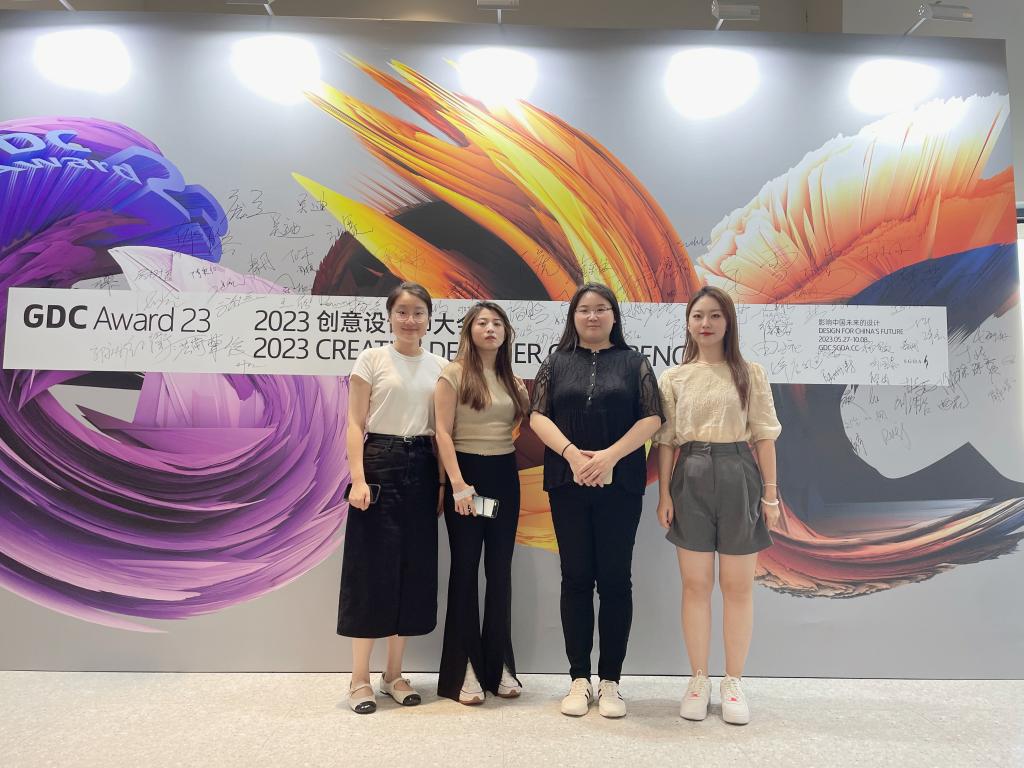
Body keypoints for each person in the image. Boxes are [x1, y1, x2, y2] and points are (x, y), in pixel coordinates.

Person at [529, 283, 665, 719]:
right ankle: (578, 679)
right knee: (575, 579)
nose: (592, 316)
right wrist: (572, 455)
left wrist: (609, 457)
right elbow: (537, 416)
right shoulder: (555, 363)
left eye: (601, 309)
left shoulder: (634, 362)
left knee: (615, 580)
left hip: (619, 484)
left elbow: (652, 417)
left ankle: (610, 682)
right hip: (566, 483)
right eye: (584, 309)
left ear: (614, 315)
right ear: (573, 316)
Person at [654, 285, 782, 726]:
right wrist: (664, 494)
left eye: (714, 315)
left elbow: (764, 436)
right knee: (695, 585)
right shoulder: (674, 377)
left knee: (737, 587)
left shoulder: (751, 373)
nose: (705, 323)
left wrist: (770, 494)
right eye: (697, 316)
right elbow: (666, 441)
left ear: (728, 322)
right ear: (688, 323)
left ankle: (733, 681)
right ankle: (698, 679)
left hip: (737, 473)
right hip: (688, 474)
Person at [340, 281, 447, 714]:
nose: (410, 320)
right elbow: (354, 424)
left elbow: (442, 433)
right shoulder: (371, 359)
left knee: (412, 570)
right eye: (402, 311)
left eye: (418, 312)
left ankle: (393, 675)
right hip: (379, 461)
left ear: (429, 319)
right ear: (389, 316)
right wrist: (358, 479)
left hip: (423, 465)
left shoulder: (441, 366)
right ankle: (359, 679)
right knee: (370, 570)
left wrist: (442, 484)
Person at [434, 301, 530, 705]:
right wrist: (457, 485)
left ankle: (500, 665)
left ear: (506, 333)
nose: (490, 329)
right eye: (482, 323)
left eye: (497, 324)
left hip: (504, 476)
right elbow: (441, 432)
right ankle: (466, 669)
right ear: (469, 332)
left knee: (500, 572)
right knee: (465, 570)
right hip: (467, 477)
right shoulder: (453, 374)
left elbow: (522, 423)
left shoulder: (513, 380)